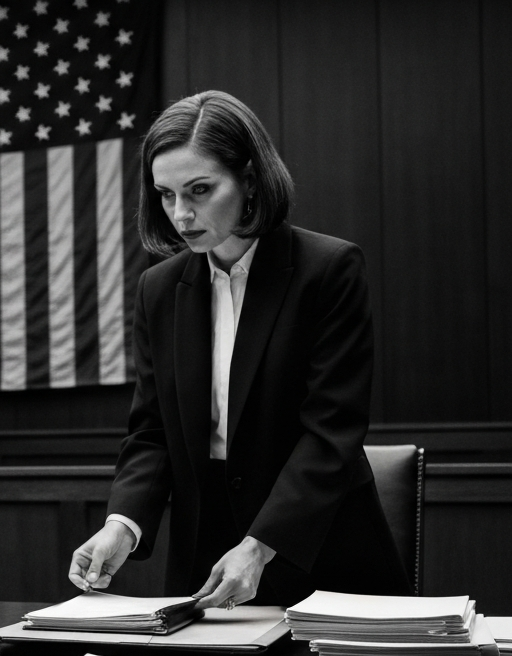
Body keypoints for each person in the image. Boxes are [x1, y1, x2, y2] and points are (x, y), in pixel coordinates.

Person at [68, 91, 410, 609]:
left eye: (200, 190)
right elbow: (152, 430)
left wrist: (259, 545)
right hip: (204, 553)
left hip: (318, 551)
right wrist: (123, 523)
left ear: (250, 180)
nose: (181, 214)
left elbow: (331, 431)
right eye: (165, 195)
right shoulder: (158, 289)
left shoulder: (329, 269)